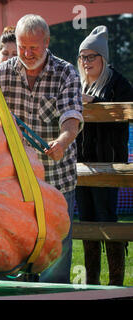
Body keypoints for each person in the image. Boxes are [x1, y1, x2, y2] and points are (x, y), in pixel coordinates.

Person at [0, 14, 84, 284]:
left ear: (47, 42)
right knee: (10, 242)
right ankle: (9, 290)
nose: (26, 53)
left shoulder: (66, 73)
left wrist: (62, 141)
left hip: (55, 177)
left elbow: (71, 115)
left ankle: (52, 292)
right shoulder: (0, 73)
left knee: (56, 249)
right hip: (13, 178)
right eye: (22, 46)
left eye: (33, 47)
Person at [75, 26, 133, 286]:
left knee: (107, 217)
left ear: (103, 59)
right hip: (81, 165)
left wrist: (95, 105)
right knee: (86, 220)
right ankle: (91, 282)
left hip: (109, 166)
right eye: (82, 57)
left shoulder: (118, 83)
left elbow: (125, 110)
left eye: (91, 57)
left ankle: (117, 282)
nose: (86, 62)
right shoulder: (76, 84)